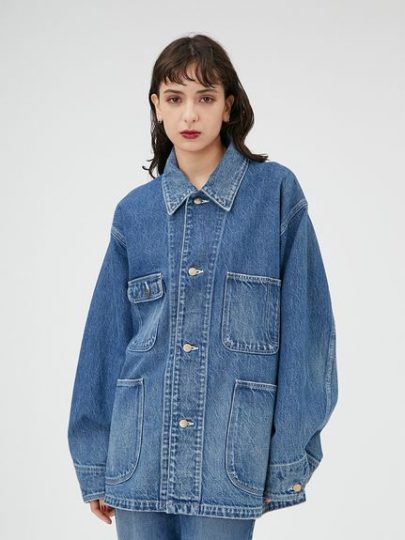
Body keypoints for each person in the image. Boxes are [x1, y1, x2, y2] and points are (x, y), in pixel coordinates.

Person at [67, 33, 338, 540]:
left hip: (230, 462)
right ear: (157, 106)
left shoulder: (276, 195)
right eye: (175, 98)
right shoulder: (134, 213)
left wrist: (286, 457)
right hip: (138, 460)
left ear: (228, 106)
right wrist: (94, 461)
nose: (189, 114)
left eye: (205, 98)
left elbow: (309, 337)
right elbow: (104, 344)